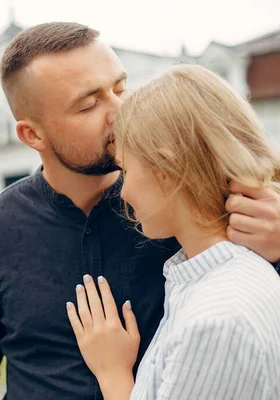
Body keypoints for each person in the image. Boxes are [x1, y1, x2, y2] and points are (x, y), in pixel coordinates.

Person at [0, 22, 280, 400]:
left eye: (121, 88)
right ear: (33, 135)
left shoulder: (185, 204)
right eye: (89, 104)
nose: (120, 111)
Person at [66, 63, 280, 399]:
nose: (122, 192)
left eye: (126, 169)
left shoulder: (216, 321)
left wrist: (112, 374)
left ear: (168, 168)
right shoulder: (212, 280)